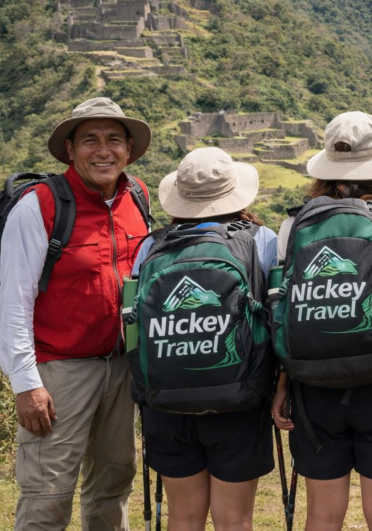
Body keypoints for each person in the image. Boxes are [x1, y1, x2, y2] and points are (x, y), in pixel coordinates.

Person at [0, 97, 152, 530]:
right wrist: (26, 384)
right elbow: (14, 301)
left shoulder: (135, 197)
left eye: (114, 140)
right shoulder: (40, 206)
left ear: (129, 150)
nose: (103, 150)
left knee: (113, 485)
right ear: (69, 150)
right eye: (90, 140)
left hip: (120, 368)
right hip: (58, 372)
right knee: (48, 494)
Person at [270, 111, 372, 531]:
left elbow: (288, 310)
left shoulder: (293, 225)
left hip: (313, 387)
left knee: (322, 515)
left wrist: (283, 384)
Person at [131, 146, 278, 531]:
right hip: (238, 399)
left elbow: (131, 324)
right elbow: (276, 317)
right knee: (234, 520)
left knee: (183, 516)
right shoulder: (261, 241)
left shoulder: (150, 247)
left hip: (166, 403)